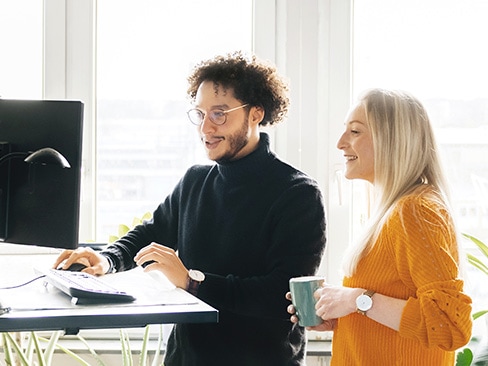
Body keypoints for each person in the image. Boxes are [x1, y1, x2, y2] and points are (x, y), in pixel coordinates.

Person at [54, 51, 327, 366]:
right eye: (200, 114)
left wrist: (193, 282)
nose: (205, 129)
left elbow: (281, 295)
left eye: (220, 113)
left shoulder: (298, 194)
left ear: (255, 113)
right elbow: (150, 234)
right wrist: (106, 258)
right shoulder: (195, 181)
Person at [287, 88, 472, 365]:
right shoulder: (392, 211)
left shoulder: (415, 211)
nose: (340, 143)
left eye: (355, 132)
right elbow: (397, 315)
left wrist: (358, 300)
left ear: (393, 140)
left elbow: (449, 326)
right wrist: (343, 315)